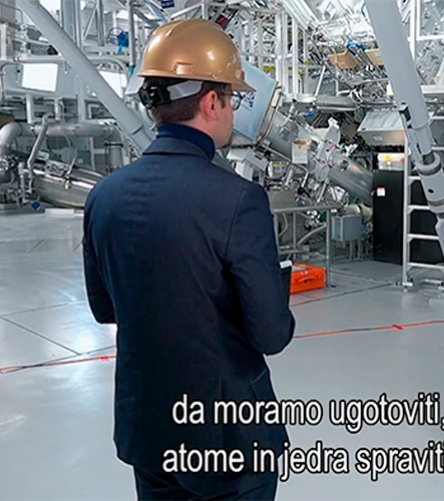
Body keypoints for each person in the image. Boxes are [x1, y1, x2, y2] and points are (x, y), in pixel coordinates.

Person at [82, 18, 295, 500]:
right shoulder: (238, 199)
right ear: (210, 101)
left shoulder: (104, 196)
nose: (232, 110)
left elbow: (104, 308)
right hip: (227, 439)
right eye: (233, 98)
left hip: (149, 429)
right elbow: (270, 334)